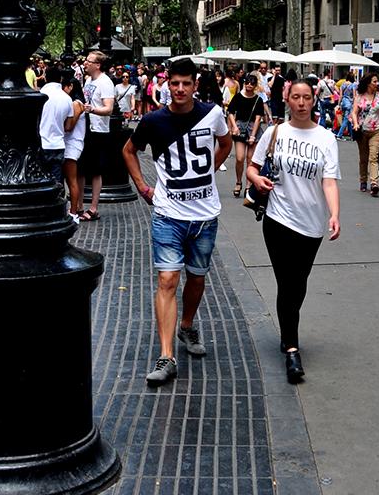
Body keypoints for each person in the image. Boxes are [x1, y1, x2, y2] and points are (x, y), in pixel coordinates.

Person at [122, 57, 232, 386]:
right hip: (168, 215)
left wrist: (208, 171)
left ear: (195, 85)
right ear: (167, 85)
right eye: (175, 84)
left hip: (204, 216)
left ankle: (186, 326)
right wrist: (143, 187)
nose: (180, 89)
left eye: (186, 83)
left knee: (196, 278)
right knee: (168, 280)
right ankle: (166, 356)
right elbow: (128, 150)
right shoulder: (153, 121)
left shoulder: (212, 113)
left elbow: (226, 142)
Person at [246, 79, 340, 383]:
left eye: (306, 97)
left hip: (311, 224)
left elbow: (329, 181)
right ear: (287, 100)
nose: (301, 103)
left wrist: (334, 214)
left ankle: (288, 329)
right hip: (277, 218)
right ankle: (291, 348)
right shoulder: (274, 132)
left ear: (314, 100)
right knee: (287, 283)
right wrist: (257, 180)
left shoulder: (326, 138)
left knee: (298, 284)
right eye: (296, 97)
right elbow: (252, 168)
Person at [78, 50, 116, 221]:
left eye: (89, 61)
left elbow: (109, 109)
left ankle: (93, 208)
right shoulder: (88, 80)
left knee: (95, 171)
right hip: (85, 128)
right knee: (80, 169)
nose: (85, 63)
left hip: (98, 131)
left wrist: (92, 109)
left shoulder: (105, 82)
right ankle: (78, 205)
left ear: (98, 65)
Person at [351, 72, 379, 195]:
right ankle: (363, 181)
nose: (377, 83)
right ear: (368, 83)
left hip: (377, 129)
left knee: (374, 157)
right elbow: (354, 112)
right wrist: (356, 124)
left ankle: (374, 183)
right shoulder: (359, 97)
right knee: (363, 158)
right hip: (362, 130)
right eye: (374, 81)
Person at [227, 73, 265, 197]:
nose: (249, 85)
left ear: (255, 86)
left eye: (252, 83)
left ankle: (248, 185)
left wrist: (253, 135)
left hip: (253, 128)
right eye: (247, 82)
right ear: (244, 83)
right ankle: (238, 182)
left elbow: (258, 118)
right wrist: (234, 126)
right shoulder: (238, 96)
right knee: (240, 158)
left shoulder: (258, 99)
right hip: (240, 128)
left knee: (250, 160)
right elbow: (230, 112)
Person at [38, 63, 73, 188]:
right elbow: (68, 127)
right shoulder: (67, 99)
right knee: (56, 183)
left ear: (45, 77)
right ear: (61, 79)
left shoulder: (39, 96)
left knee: (40, 182)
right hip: (58, 144)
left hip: (41, 144)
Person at [61, 69, 86, 222]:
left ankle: (74, 212)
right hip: (69, 142)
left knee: (71, 180)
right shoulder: (72, 102)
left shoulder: (76, 104)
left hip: (72, 143)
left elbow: (69, 126)